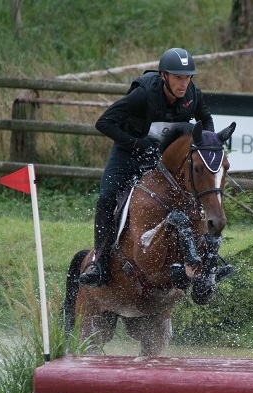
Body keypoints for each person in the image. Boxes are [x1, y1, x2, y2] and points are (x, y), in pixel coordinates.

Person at [79, 47, 215, 288]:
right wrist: (137, 144)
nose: (183, 84)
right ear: (164, 76)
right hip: (129, 152)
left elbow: (207, 120)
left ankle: (208, 260)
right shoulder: (142, 96)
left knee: (193, 194)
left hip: (163, 158)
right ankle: (98, 262)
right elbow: (104, 122)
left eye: (187, 77)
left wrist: (206, 144)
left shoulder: (193, 96)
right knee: (107, 198)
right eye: (177, 78)